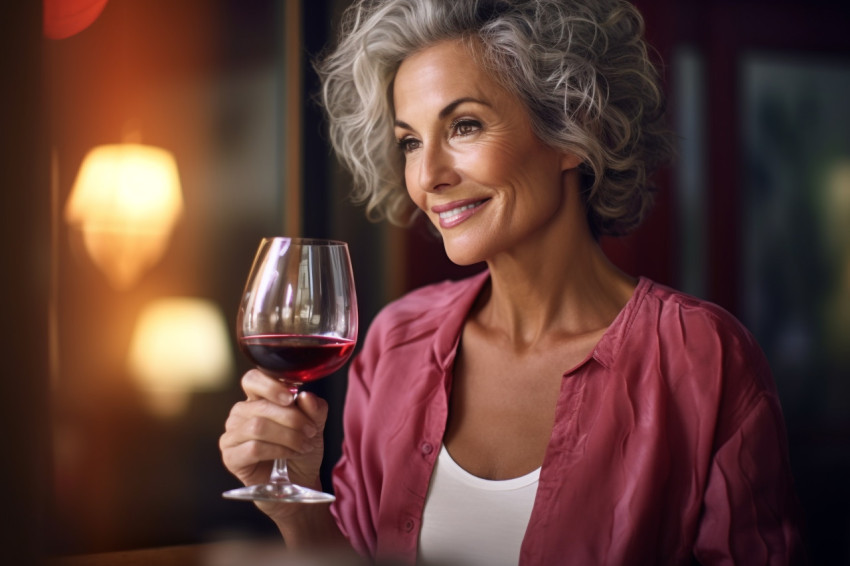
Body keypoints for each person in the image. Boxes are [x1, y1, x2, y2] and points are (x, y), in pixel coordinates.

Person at [219, 1, 806, 564]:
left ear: (575, 125)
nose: (427, 177)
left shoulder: (702, 359)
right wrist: (294, 503)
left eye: (465, 125)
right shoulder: (398, 342)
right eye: (410, 142)